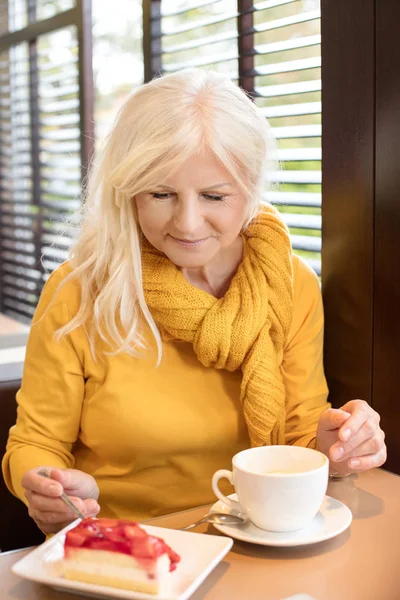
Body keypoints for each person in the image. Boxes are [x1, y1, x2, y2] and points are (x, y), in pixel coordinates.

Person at [2, 70, 386, 535]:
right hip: (124, 548)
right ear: (129, 192)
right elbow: (36, 442)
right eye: (160, 194)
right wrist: (47, 485)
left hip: (254, 538)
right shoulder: (78, 292)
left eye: (213, 196)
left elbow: (299, 435)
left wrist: (338, 445)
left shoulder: (290, 283)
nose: (187, 223)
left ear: (250, 190)